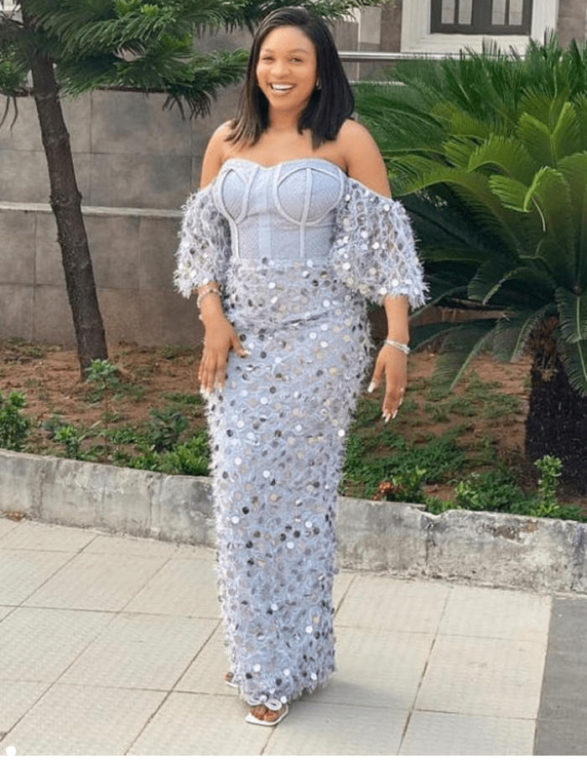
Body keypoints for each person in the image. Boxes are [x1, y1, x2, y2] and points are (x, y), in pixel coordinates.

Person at [173, 5, 429, 727]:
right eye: (268, 58)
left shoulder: (347, 139)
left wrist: (396, 340)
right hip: (239, 343)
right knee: (241, 496)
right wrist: (211, 316)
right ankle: (264, 651)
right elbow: (202, 247)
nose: (279, 71)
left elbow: (387, 249)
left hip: (320, 341)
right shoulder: (226, 140)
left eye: (296, 59)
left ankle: (285, 660)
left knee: (298, 502)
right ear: (253, 66)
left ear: (320, 71)